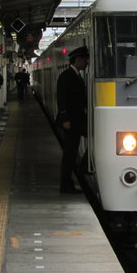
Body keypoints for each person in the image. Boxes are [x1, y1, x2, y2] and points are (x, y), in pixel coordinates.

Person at [57, 46, 89, 194]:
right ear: (77, 60)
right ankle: (66, 184)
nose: (86, 63)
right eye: (84, 60)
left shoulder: (76, 75)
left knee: (74, 151)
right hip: (71, 122)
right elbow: (61, 99)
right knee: (70, 153)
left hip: (78, 121)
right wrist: (64, 118)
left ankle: (82, 169)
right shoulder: (66, 76)